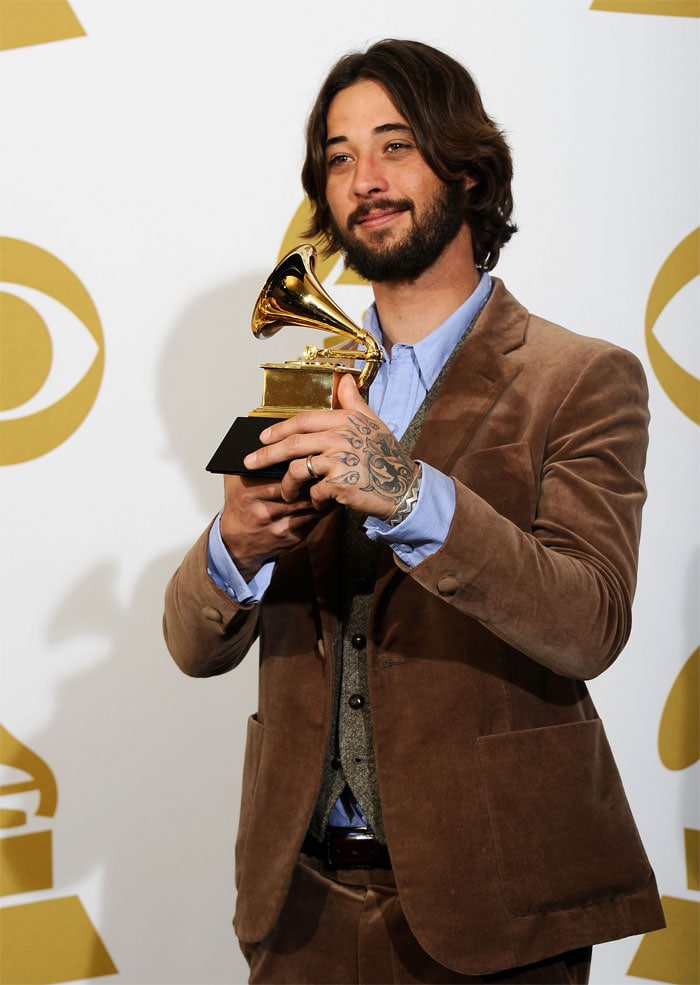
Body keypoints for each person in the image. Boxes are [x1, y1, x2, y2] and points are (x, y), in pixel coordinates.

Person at [163, 38, 665, 985]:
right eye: (340, 157)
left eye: (395, 145)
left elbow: (590, 621)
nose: (365, 179)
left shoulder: (582, 378)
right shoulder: (305, 383)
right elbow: (192, 647)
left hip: (499, 908)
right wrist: (232, 547)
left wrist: (408, 492)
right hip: (298, 904)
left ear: (467, 169)